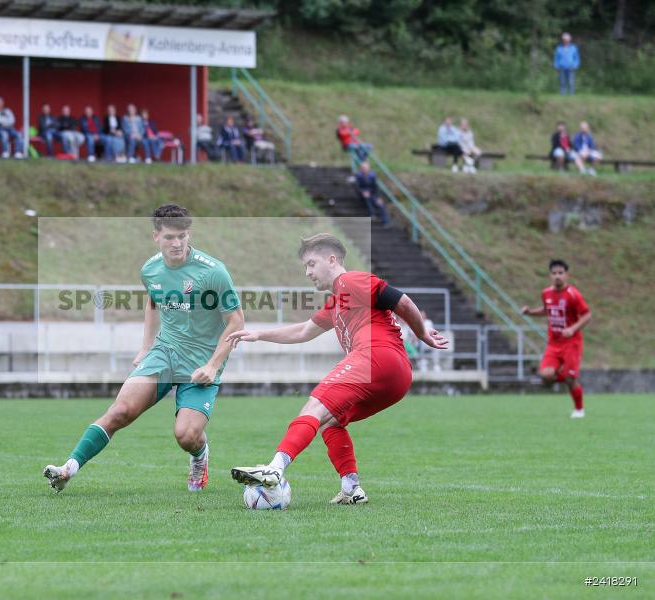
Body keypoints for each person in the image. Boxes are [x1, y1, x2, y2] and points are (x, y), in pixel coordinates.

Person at [227, 234, 448, 504]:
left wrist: (422, 332)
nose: (308, 272)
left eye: (311, 264)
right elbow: (303, 332)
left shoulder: (349, 281)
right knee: (331, 421)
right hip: (396, 376)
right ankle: (351, 488)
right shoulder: (336, 301)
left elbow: (402, 301)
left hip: (375, 357)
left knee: (313, 408)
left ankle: (274, 468)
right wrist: (259, 335)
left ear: (332, 260)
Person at [44, 204, 245, 494]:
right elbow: (154, 301)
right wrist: (146, 347)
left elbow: (236, 321)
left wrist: (213, 365)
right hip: (165, 353)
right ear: (156, 236)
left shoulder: (213, 272)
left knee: (187, 435)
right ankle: (67, 470)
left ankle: (199, 457)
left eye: (182, 236)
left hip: (200, 361)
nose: (176, 243)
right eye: (169, 237)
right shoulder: (150, 270)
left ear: (189, 234)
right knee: (120, 411)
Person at [521, 260, 591, 418]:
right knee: (545, 375)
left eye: (560, 273)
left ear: (566, 275)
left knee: (570, 378)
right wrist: (530, 312)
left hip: (572, 342)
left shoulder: (573, 294)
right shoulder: (546, 293)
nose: (557, 276)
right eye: (554, 273)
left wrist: (573, 329)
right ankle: (568, 376)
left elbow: (587, 315)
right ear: (550, 275)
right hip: (554, 343)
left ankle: (579, 409)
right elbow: (547, 310)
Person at [354, 161, 388, 225]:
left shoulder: (372, 176)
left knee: (381, 204)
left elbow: (376, 188)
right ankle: (372, 213)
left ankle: (385, 221)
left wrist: (378, 197)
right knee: (367, 197)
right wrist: (362, 192)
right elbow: (357, 187)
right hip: (362, 195)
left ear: (368, 169)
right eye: (363, 168)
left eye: (366, 168)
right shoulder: (358, 176)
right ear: (361, 169)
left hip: (372, 193)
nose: (365, 170)